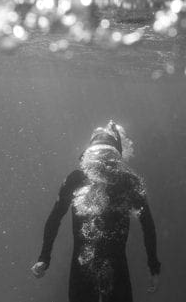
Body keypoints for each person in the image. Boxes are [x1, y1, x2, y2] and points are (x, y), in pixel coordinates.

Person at [31, 120, 161, 302]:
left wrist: (44, 257)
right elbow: (147, 225)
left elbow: (55, 218)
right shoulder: (129, 182)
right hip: (116, 270)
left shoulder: (75, 179)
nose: (102, 165)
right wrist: (153, 266)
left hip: (82, 269)